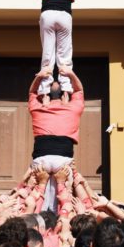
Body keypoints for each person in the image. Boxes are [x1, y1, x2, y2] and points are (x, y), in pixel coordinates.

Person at [28, 68, 84, 212]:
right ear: (65, 95)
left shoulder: (38, 109)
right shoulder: (73, 109)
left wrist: (39, 77)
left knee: (39, 196)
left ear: (46, 96)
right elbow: (79, 91)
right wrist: (71, 73)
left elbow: (32, 93)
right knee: (63, 197)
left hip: (42, 160)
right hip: (63, 160)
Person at [32, 0, 85, 95]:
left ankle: (44, 90)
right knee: (64, 55)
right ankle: (67, 89)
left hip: (47, 14)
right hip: (64, 15)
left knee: (47, 54)